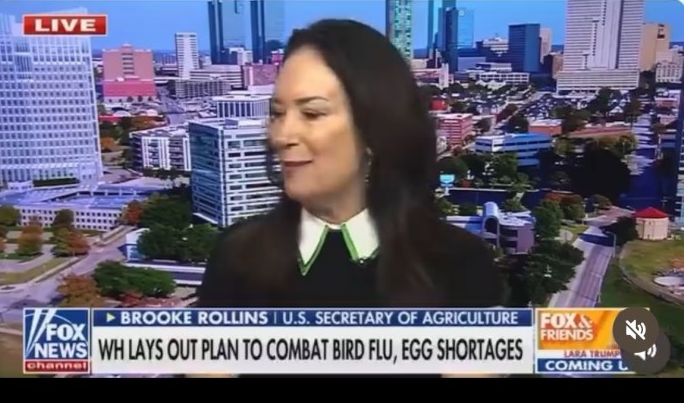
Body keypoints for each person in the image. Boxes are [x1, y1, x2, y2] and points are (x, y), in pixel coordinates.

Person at [195, 18, 508, 377]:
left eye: (311, 113)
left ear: (374, 131)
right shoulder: (238, 254)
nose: (282, 135)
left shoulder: (457, 263)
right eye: (278, 113)